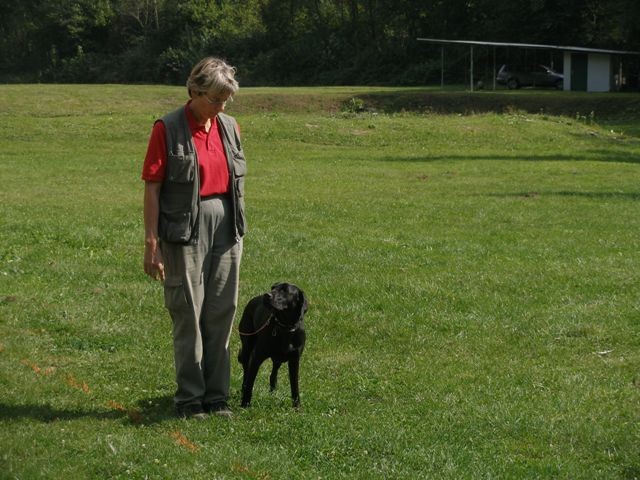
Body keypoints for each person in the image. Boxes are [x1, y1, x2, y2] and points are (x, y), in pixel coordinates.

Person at [141, 57, 247, 419]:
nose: (220, 107)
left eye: (225, 100)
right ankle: (189, 399)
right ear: (194, 91)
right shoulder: (166, 128)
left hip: (227, 226)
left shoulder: (229, 126)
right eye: (215, 99)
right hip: (183, 229)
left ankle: (217, 397)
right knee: (188, 311)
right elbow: (152, 189)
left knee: (221, 311)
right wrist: (151, 245)